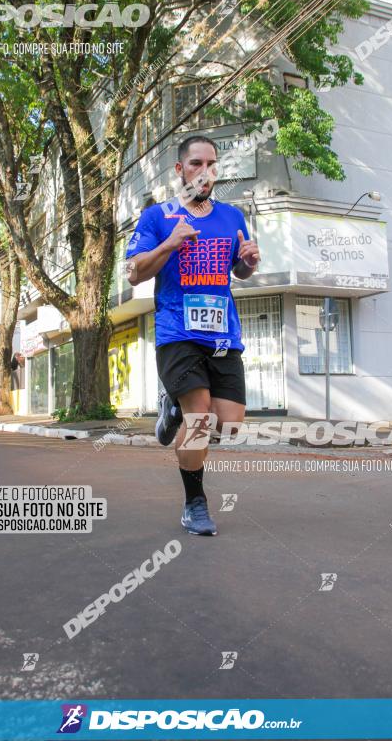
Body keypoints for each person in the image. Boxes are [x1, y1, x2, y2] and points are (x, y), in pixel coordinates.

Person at [125, 135, 261, 536]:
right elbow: (135, 272)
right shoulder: (156, 217)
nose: (206, 172)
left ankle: (170, 407)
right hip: (177, 331)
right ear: (180, 170)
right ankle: (195, 504)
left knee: (230, 425)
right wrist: (170, 242)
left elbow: (238, 271)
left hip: (222, 333)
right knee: (199, 418)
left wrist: (249, 264)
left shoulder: (232, 216)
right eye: (197, 164)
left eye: (212, 164)